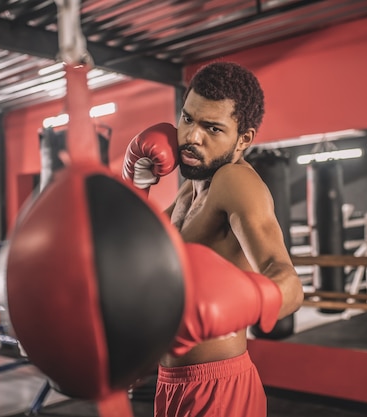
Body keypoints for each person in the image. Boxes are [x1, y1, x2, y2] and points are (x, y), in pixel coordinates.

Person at [123, 61, 304, 417]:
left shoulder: (234, 183)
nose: (191, 136)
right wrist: (137, 186)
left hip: (218, 390)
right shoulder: (188, 192)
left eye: (212, 128)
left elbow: (291, 286)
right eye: (188, 119)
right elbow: (132, 254)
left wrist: (241, 304)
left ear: (244, 139)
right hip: (173, 381)